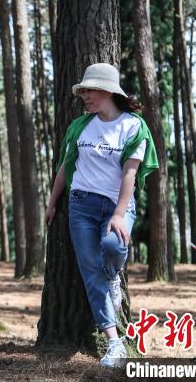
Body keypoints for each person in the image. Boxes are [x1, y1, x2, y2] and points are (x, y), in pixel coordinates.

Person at [44, 63, 158, 369]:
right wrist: (53, 202)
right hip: (80, 205)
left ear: (108, 91)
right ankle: (114, 342)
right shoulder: (81, 126)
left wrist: (120, 214)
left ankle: (114, 276)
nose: (85, 96)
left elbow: (130, 175)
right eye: (83, 91)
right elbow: (66, 166)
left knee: (113, 248)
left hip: (117, 205)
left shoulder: (134, 127)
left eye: (90, 90)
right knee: (89, 272)